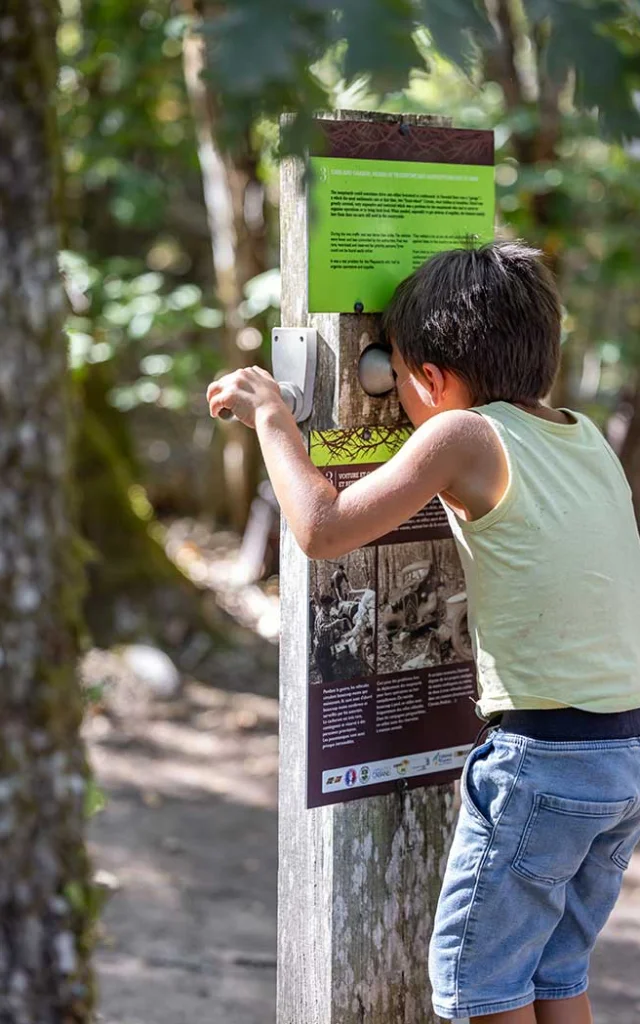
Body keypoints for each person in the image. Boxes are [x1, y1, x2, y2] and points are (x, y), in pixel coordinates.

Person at [207, 241, 640, 1024]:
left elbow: (323, 527)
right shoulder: (584, 440)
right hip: (622, 755)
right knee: (554, 971)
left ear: (431, 380)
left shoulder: (463, 435)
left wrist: (273, 415)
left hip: (543, 760)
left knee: (481, 986)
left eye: (397, 376)